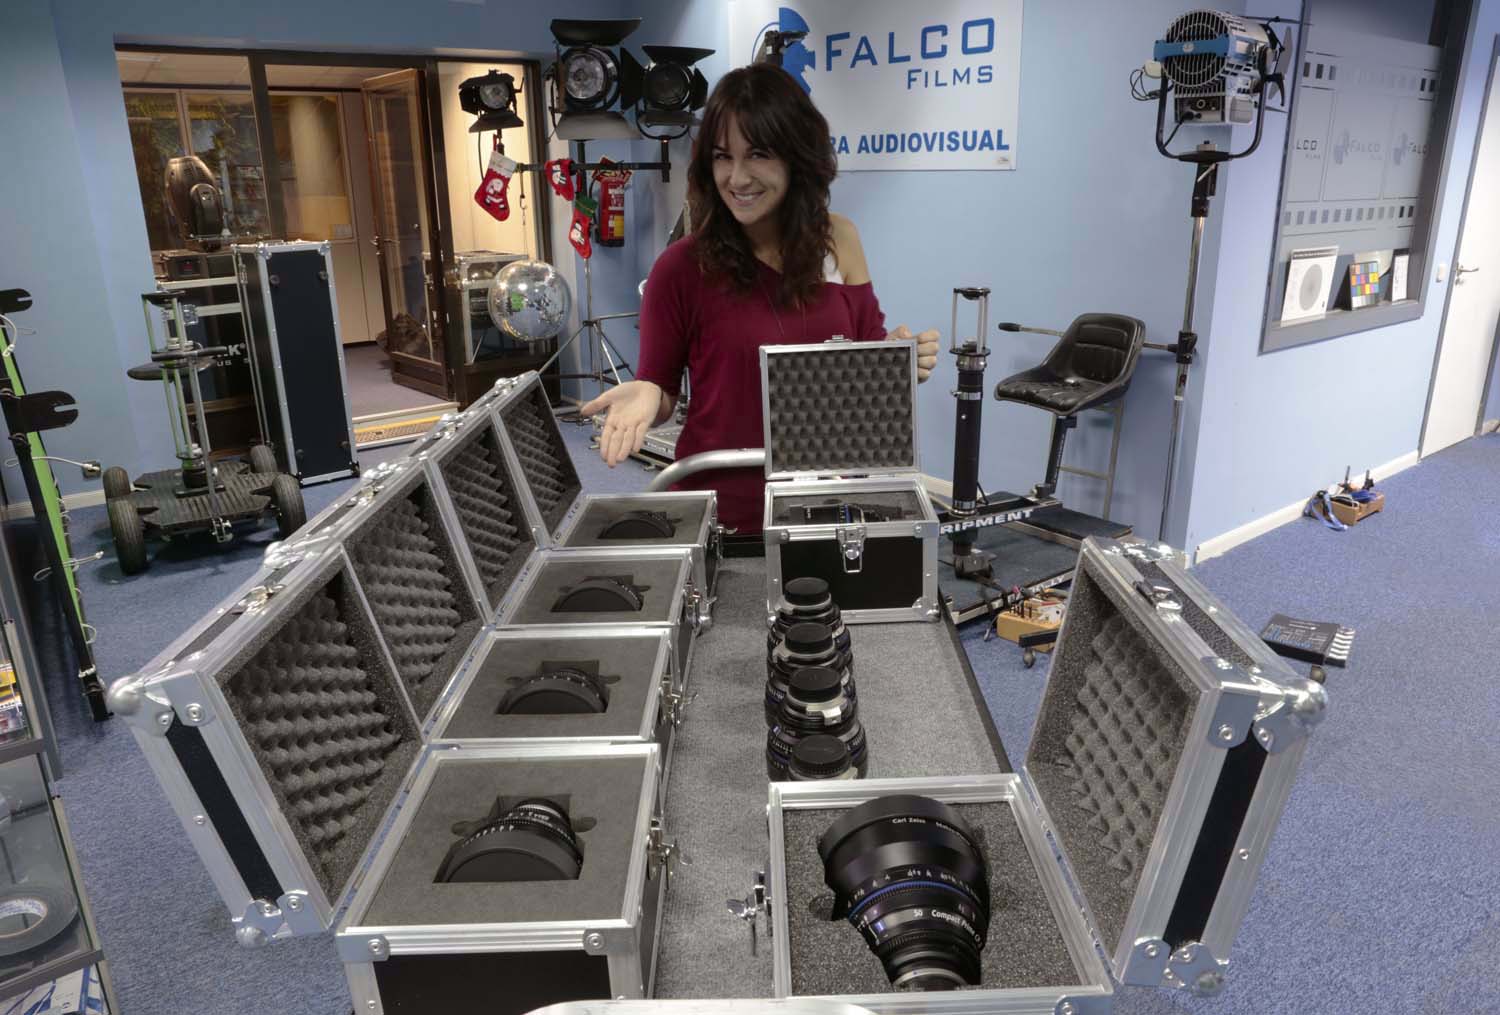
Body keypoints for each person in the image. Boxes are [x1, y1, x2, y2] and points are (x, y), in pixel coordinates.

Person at [580, 63, 940, 535]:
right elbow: (662, 392)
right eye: (722, 157)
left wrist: (896, 357)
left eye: (758, 155)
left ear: (797, 156)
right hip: (723, 516)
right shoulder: (681, 268)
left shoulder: (840, 240)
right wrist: (650, 391)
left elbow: (862, 348)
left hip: (828, 510)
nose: (737, 177)